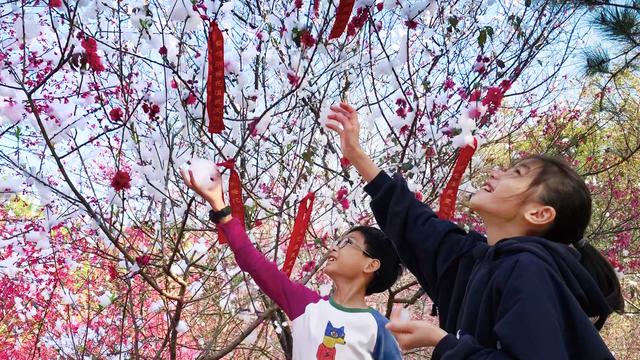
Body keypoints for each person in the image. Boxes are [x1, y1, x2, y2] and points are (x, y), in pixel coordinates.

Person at [326, 102, 624, 359]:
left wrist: (441, 342)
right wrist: (356, 154)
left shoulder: (529, 270)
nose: (496, 172)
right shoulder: (473, 261)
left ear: (539, 213)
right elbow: (416, 225)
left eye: (516, 173)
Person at [179, 164, 404, 359]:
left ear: (371, 265)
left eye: (348, 243)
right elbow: (253, 262)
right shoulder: (307, 306)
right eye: (338, 241)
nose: (334, 247)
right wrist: (219, 205)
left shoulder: (379, 329)